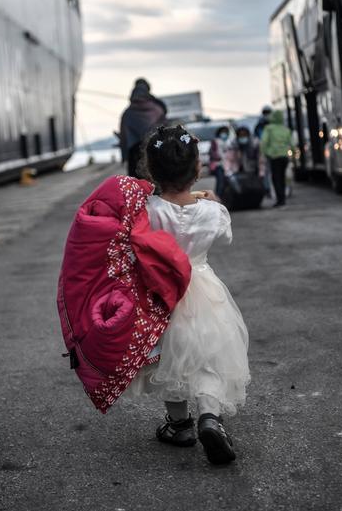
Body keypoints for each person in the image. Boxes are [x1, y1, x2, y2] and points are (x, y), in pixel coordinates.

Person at [126, 125, 251, 465]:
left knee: (170, 356)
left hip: (161, 292)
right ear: (197, 168)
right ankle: (210, 417)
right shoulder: (213, 211)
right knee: (208, 355)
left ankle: (180, 425)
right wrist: (207, 199)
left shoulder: (147, 211)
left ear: (151, 170)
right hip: (203, 287)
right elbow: (223, 235)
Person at [119, 78, 166, 178]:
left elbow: (124, 137)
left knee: (136, 185)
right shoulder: (157, 109)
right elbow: (164, 130)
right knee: (155, 181)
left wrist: (124, 156)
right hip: (154, 151)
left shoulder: (127, 114)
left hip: (134, 156)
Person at [260, 110, 292, 207]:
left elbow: (264, 142)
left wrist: (265, 153)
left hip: (274, 157)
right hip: (285, 157)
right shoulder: (286, 129)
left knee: (276, 178)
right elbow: (292, 144)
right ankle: (283, 198)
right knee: (282, 178)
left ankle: (280, 200)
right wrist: (292, 155)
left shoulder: (269, 128)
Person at [209, 126, 231, 197]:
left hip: (228, 165)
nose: (224, 134)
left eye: (225, 132)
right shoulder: (215, 141)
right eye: (222, 132)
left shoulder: (229, 141)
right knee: (220, 181)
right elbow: (212, 153)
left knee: (226, 181)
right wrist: (219, 157)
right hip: (218, 165)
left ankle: (224, 196)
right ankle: (218, 195)